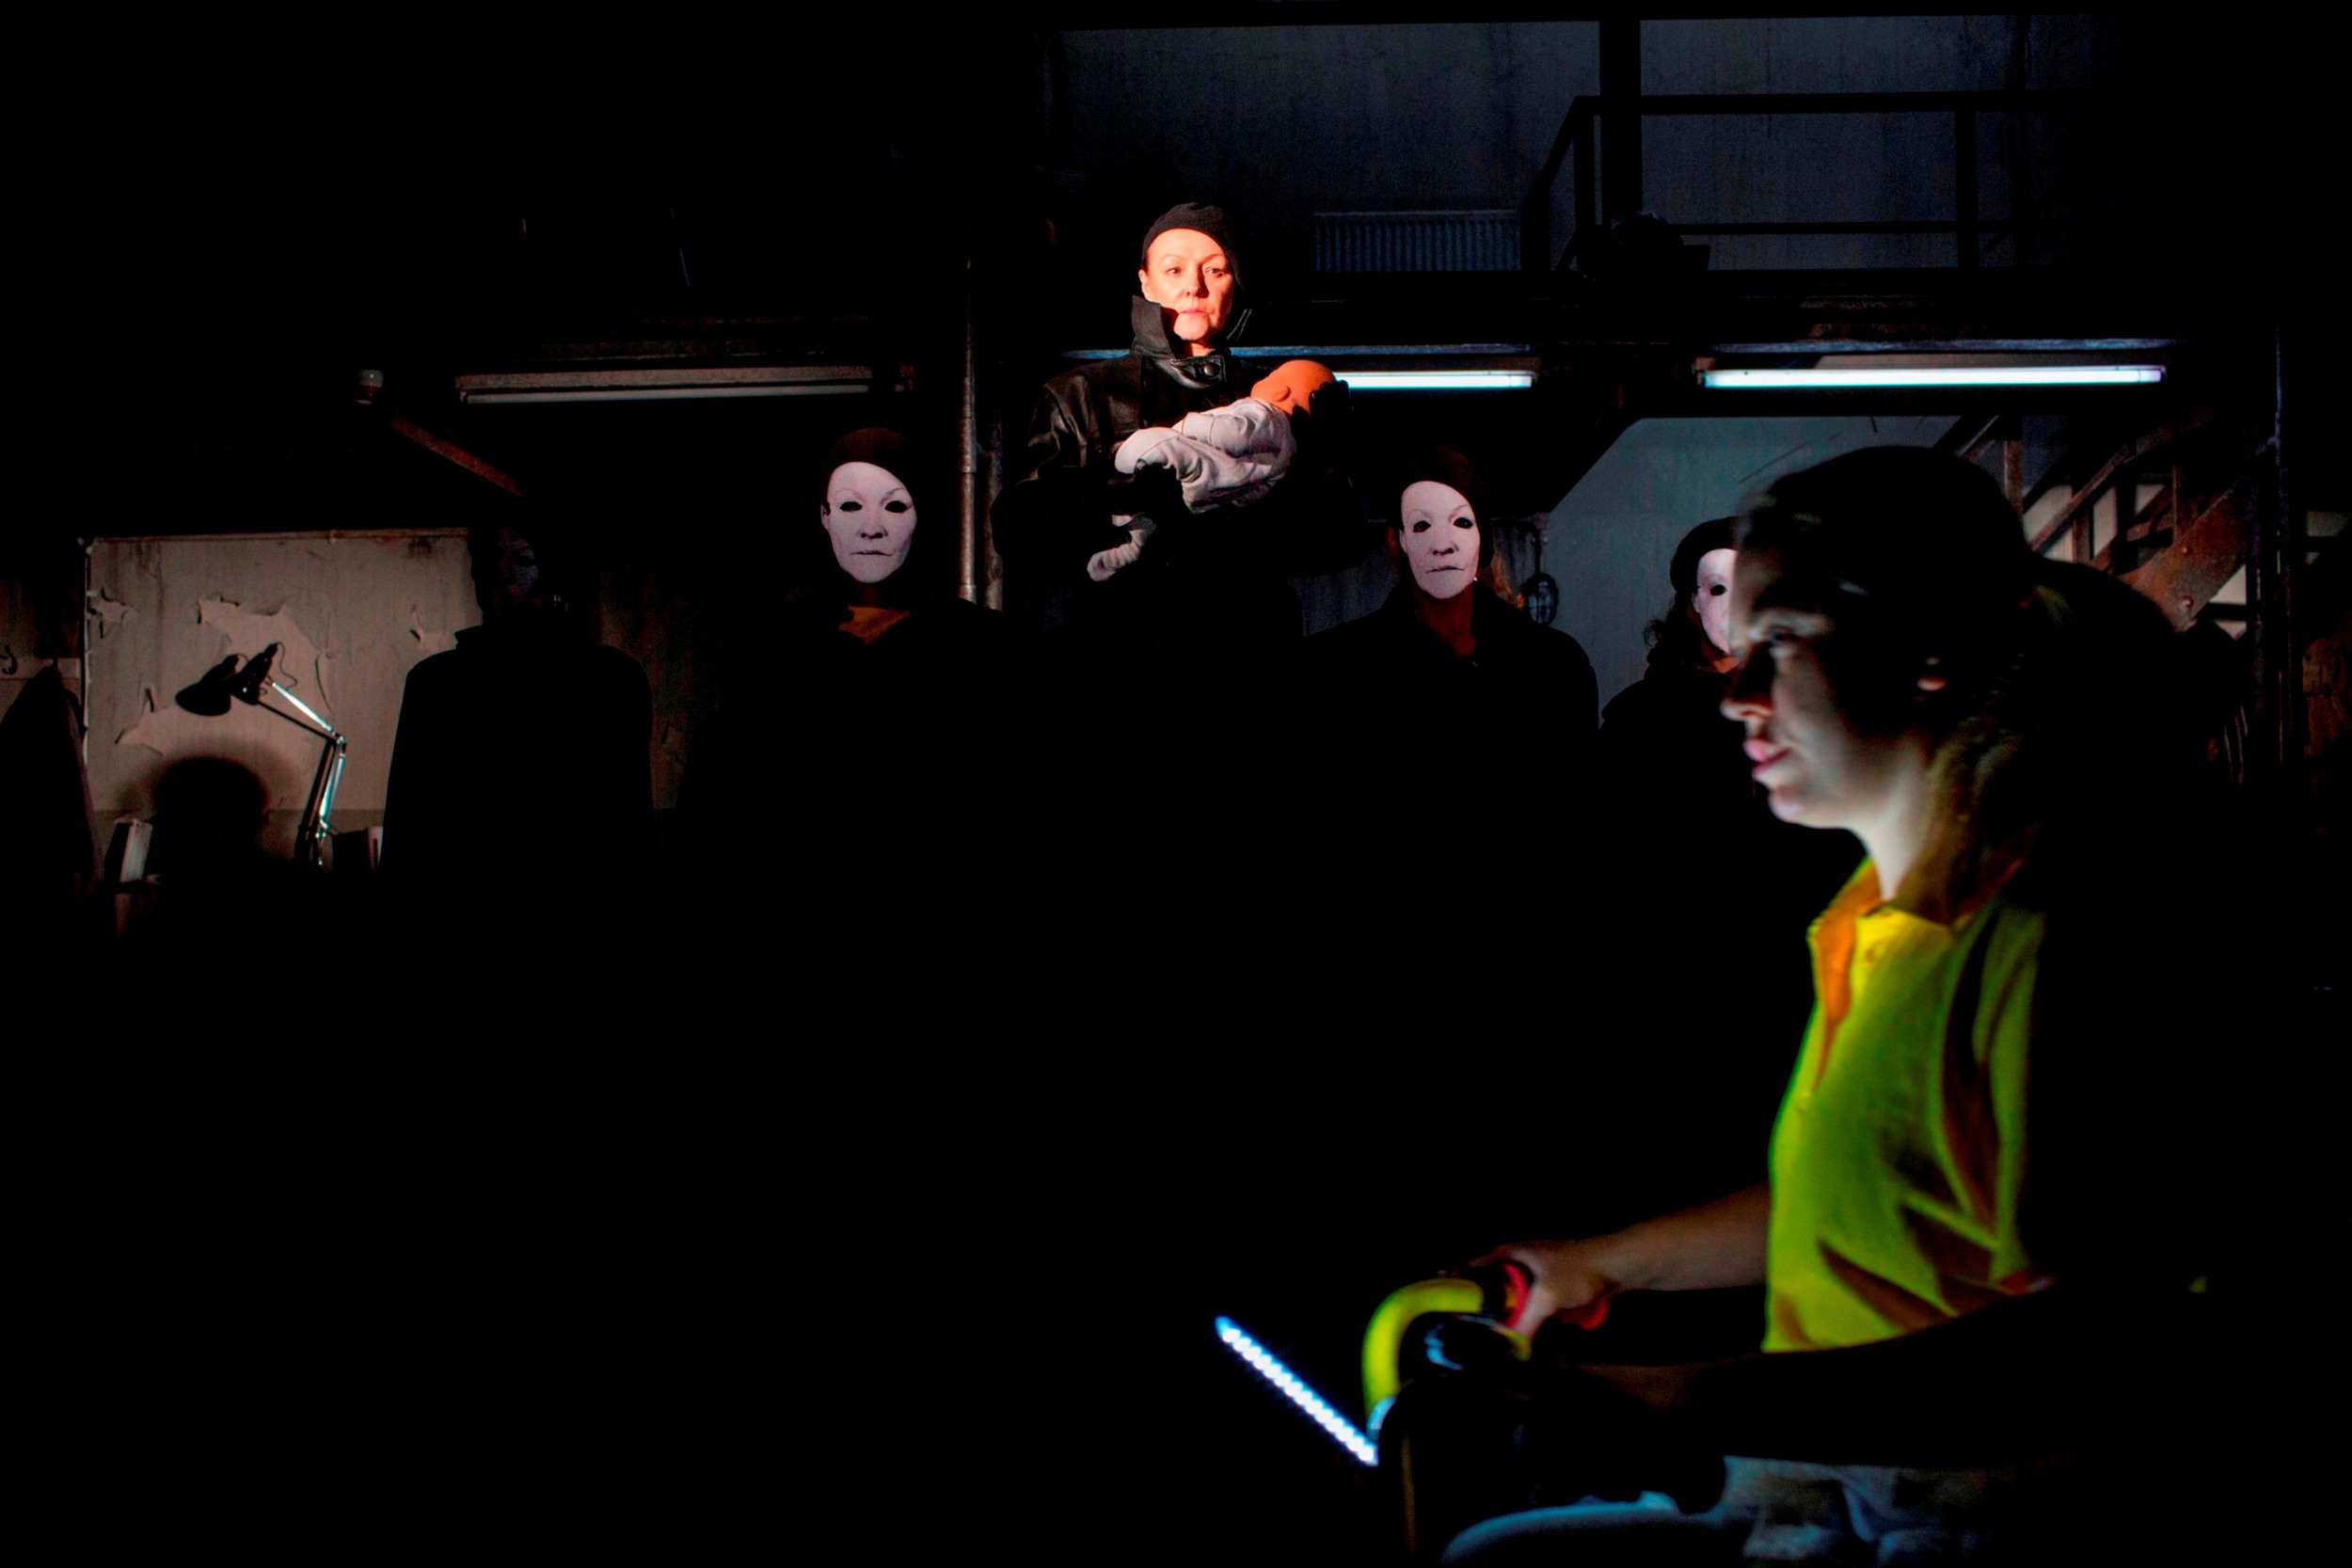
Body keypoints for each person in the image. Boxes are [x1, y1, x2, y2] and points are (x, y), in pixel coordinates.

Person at [1422, 447, 2237, 1564]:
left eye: (1783, 645)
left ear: (1932, 655)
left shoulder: (2045, 935)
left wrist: (1675, 1397)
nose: (1738, 690)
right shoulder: (1872, 905)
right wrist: (1603, 1260)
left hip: (1965, 1526)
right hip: (1829, 1493)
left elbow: (2080, 1343)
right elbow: (1868, 1188)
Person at [991, 203, 1363, 715]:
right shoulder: (1078, 393)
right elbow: (1018, 533)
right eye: (1174, 269)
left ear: (1236, 283)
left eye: (1215, 269)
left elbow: (1337, 547)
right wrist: (1114, 495)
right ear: (1145, 282)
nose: (1195, 287)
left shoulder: (1279, 396)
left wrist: (1326, 470)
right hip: (1119, 668)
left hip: (1250, 666)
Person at [381, 510, 653, 954]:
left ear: (551, 570)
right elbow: (410, 827)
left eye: (522, 561)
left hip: (577, 922)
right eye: (490, 560)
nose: (502, 575)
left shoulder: (609, 680)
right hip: (466, 925)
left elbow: (628, 828)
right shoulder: (436, 684)